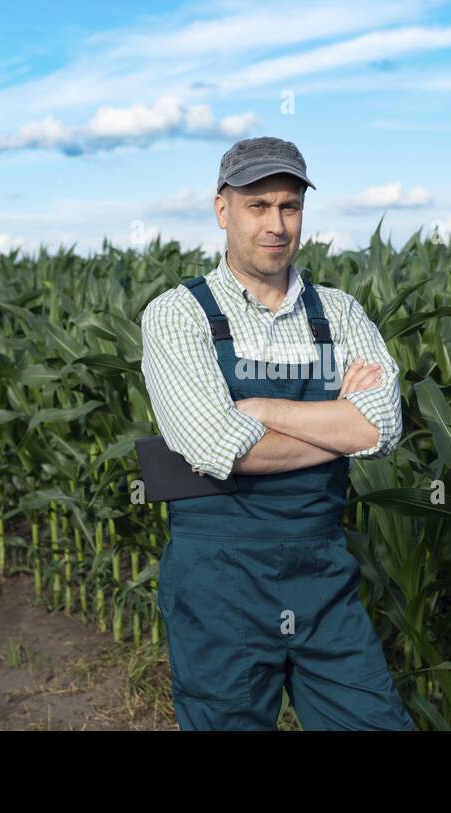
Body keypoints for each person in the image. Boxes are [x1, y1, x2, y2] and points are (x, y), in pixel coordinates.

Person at [139, 136, 415, 730]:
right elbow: (217, 448)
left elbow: (382, 427)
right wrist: (338, 423)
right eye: (258, 206)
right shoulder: (178, 314)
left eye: (288, 206)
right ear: (223, 211)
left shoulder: (338, 313)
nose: (276, 224)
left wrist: (261, 407)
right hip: (218, 582)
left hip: (322, 576)